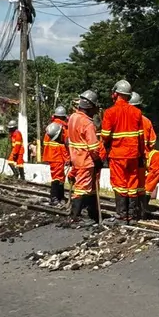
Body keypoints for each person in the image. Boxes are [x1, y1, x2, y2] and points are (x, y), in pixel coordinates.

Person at [101, 80, 145, 223]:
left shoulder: (110, 112)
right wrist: (141, 154)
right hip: (133, 154)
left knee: (119, 183)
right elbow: (140, 136)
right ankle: (132, 216)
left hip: (118, 154)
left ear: (116, 93)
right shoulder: (137, 112)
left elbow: (105, 135)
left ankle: (121, 215)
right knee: (132, 184)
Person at [68, 90, 102, 221]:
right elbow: (93, 147)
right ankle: (75, 215)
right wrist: (97, 160)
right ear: (90, 106)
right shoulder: (87, 123)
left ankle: (92, 212)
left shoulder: (73, 118)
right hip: (85, 159)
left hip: (76, 158)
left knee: (90, 187)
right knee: (82, 188)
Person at [129, 92, 156, 215]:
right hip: (143, 158)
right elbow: (152, 142)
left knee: (129, 184)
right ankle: (140, 209)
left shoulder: (126, 121)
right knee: (141, 185)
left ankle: (130, 210)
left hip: (128, 156)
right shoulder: (146, 121)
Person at [43, 121, 67, 205]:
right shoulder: (61, 130)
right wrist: (67, 158)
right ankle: (55, 197)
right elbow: (63, 147)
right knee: (58, 177)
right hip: (58, 157)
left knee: (57, 177)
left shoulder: (50, 129)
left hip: (52, 157)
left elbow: (45, 145)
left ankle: (58, 196)